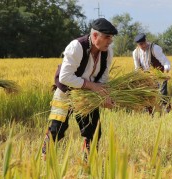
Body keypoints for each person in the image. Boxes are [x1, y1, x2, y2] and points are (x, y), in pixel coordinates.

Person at [42, 18, 118, 159]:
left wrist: (104, 96)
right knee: (57, 129)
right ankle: (45, 158)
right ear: (95, 36)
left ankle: (88, 163)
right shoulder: (77, 46)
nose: (110, 41)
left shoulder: (107, 51)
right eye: (107, 37)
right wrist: (92, 86)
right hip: (67, 91)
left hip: (88, 94)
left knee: (93, 131)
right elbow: (65, 77)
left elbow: (103, 78)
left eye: (111, 37)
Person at [132, 33, 172, 112]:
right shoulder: (135, 53)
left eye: (144, 43)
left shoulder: (154, 48)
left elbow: (165, 61)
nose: (143, 46)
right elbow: (137, 68)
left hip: (159, 74)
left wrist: (166, 69)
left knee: (162, 93)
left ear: (146, 41)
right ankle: (149, 112)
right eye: (140, 44)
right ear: (138, 44)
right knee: (148, 94)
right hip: (147, 76)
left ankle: (166, 110)